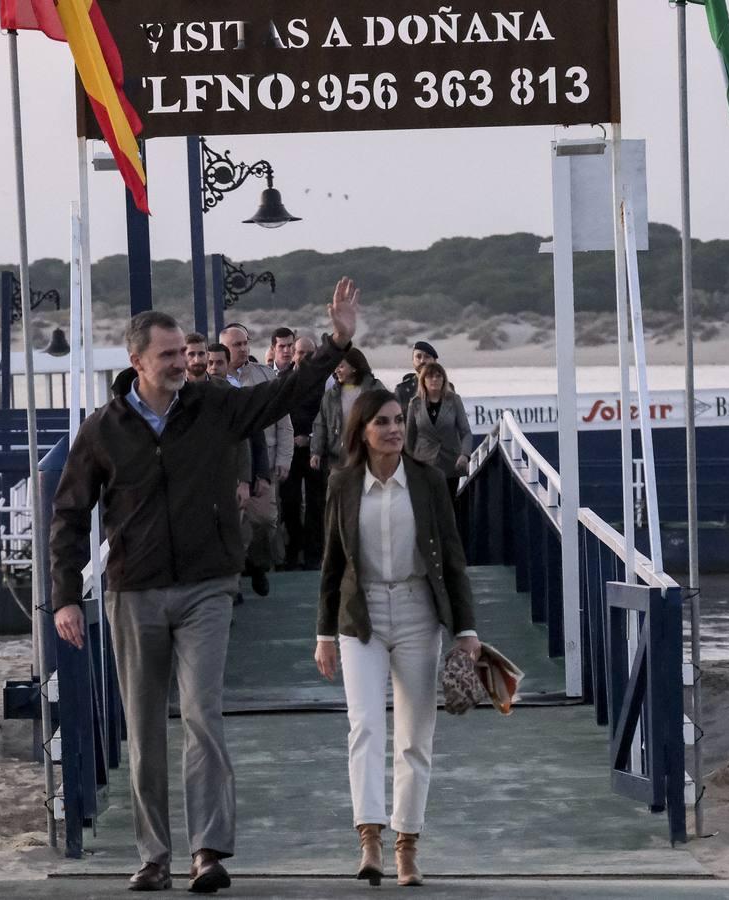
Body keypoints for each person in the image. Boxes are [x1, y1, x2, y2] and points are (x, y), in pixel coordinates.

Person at [50, 280, 361, 893]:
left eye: (181, 353)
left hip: (206, 586)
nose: (181, 363)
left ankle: (208, 852)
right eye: (166, 355)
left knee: (202, 715)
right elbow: (67, 512)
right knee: (143, 726)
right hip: (134, 590)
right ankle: (154, 856)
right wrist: (64, 594)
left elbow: (284, 393)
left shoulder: (215, 406)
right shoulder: (102, 430)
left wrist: (337, 342)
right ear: (136, 360)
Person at [313, 388, 479, 888]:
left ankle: (407, 844)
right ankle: (370, 839)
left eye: (395, 421)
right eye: (381, 422)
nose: (392, 429)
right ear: (361, 431)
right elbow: (331, 562)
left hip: (417, 613)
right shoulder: (342, 484)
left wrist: (466, 630)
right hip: (358, 614)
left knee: (414, 735)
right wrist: (323, 633)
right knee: (363, 727)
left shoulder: (427, 481)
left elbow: (452, 557)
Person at [222, 324, 294, 594]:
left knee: (264, 521)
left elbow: (283, 422)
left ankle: (259, 564)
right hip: (228, 468)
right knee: (234, 524)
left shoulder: (264, 377)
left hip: (265, 460)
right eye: (236, 345)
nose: (242, 349)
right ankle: (236, 578)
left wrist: (284, 458)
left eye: (245, 343)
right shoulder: (214, 381)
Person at [281, 334, 325, 569]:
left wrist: (309, 439)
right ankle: (293, 550)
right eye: (300, 352)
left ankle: (313, 554)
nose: (304, 357)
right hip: (289, 451)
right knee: (290, 502)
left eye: (309, 353)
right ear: (293, 353)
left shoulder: (325, 382)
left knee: (316, 504)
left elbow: (327, 418)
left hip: (314, 450)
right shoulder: (283, 380)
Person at [405, 361, 472, 496]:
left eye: (438, 376)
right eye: (430, 376)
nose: (434, 379)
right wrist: (409, 465)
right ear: (423, 380)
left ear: (444, 379)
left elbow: (465, 432)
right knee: (426, 506)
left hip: (450, 462)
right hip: (423, 463)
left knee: (448, 506)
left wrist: (464, 455)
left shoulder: (454, 400)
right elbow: (409, 437)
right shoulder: (415, 403)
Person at [311, 348, 384, 472]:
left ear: (354, 367)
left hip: (368, 457)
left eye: (341, 367)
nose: (336, 370)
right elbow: (320, 424)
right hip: (337, 459)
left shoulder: (374, 390)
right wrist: (316, 452)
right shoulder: (331, 395)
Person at [394, 341, 440, 412]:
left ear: (434, 361)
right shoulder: (402, 390)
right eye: (418, 356)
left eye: (427, 356)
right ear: (413, 360)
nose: (422, 361)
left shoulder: (446, 387)